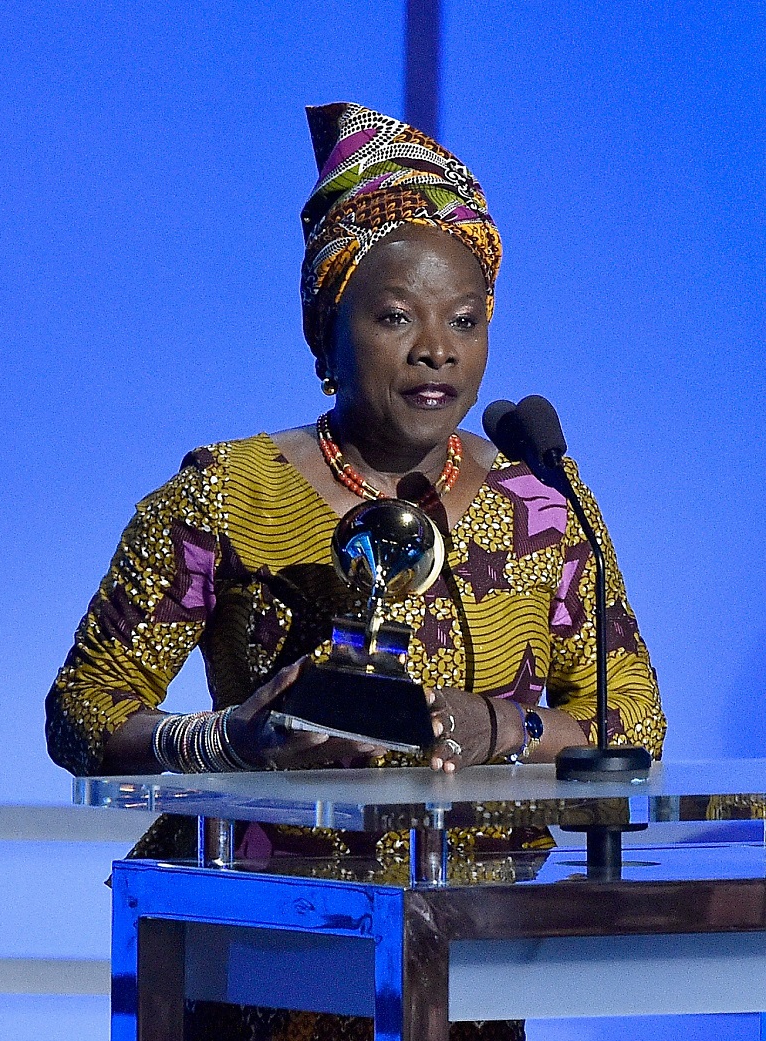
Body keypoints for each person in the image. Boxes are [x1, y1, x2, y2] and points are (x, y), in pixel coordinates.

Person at [46, 102, 666, 1041]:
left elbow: (634, 719)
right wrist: (233, 740)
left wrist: (498, 724)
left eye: (464, 317)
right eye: (394, 316)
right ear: (324, 328)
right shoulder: (229, 491)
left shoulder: (541, 495)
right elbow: (82, 709)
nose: (436, 347)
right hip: (260, 952)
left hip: (467, 959)